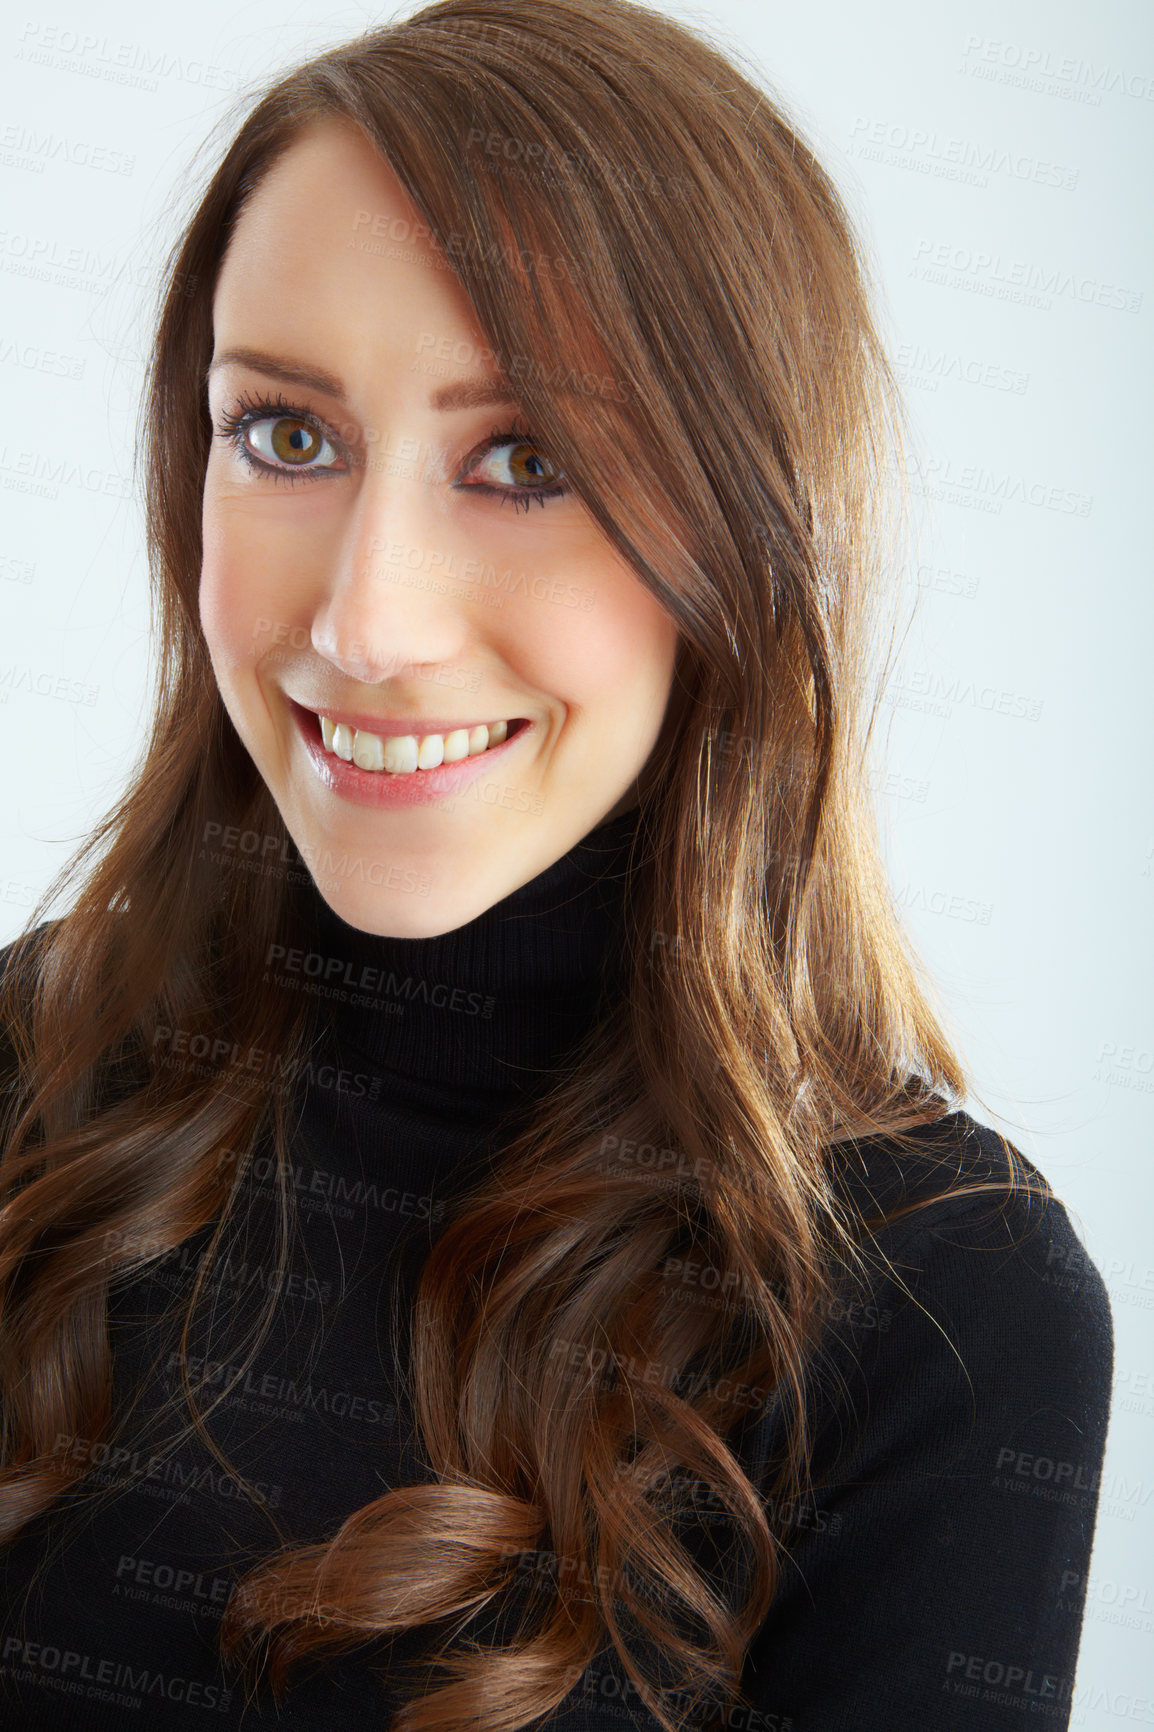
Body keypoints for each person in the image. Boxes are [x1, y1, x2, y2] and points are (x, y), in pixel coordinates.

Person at [0, 1, 1112, 1727]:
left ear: (746, 539)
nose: (367, 623)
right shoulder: (29, 1063)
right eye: (285, 436)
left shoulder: (941, 1304)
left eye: (527, 462)